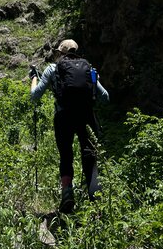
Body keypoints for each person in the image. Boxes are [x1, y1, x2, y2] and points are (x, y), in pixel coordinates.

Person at [29, 39, 109, 213]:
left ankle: (67, 195)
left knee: (66, 156)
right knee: (90, 155)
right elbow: (105, 97)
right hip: (87, 116)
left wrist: (34, 77)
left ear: (60, 53)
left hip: (63, 117)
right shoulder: (89, 69)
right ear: (76, 51)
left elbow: (35, 96)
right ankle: (95, 199)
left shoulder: (53, 69)